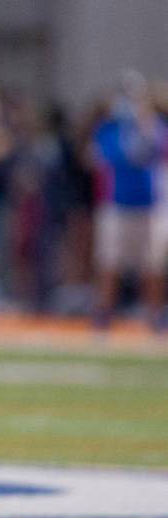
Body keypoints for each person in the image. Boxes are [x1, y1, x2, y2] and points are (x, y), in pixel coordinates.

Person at [92, 71, 166, 332]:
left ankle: (154, 315)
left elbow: (158, 152)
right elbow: (116, 158)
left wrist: (147, 130)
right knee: (110, 263)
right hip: (118, 203)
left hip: (149, 204)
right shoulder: (110, 129)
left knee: (153, 265)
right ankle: (104, 316)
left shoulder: (157, 126)